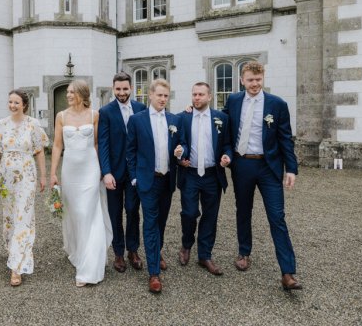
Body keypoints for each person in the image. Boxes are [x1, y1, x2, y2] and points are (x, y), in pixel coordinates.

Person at [223, 61, 302, 290]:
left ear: (263, 79)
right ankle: (244, 252)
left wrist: (292, 169)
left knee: (277, 216)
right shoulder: (234, 100)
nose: (255, 84)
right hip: (242, 164)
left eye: (258, 80)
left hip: (269, 167)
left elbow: (285, 138)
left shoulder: (277, 104)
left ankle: (287, 272)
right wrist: (193, 109)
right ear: (242, 80)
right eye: (250, 80)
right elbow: (222, 122)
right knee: (243, 211)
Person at [50, 79, 113, 287]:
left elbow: (96, 143)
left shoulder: (95, 115)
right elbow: (58, 146)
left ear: (82, 94)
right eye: (67, 92)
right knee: (75, 214)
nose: (68, 95)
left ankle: (88, 268)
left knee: (89, 213)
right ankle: (79, 252)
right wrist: (53, 173)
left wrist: (102, 172)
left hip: (90, 170)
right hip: (70, 172)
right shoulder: (61, 116)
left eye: (71, 92)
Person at [126, 79, 185, 294]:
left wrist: (181, 151)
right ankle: (153, 274)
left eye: (166, 96)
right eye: (159, 95)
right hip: (146, 181)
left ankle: (155, 252)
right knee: (150, 223)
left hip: (167, 179)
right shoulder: (137, 120)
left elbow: (182, 145)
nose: (162, 99)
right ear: (150, 95)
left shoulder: (174, 119)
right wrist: (134, 178)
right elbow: (130, 151)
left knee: (161, 221)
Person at [0, 89, 48, 287]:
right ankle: (12, 248)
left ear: (24, 104)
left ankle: (17, 265)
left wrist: (43, 176)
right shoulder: (1, 124)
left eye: (16, 102)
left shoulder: (33, 124)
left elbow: (39, 151)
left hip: (26, 174)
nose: (12, 105)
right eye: (10, 102)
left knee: (24, 215)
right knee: (10, 215)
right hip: (5, 175)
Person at [176, 82, 232, 276]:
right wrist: (179, 154)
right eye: (194, 94)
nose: (197, 98)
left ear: (210, 97)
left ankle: (205, 255)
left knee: (210, 215)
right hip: (190, 173)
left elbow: (227, 144)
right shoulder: (183, 117)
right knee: (189, 213)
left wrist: (227, 157)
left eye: (201, 94)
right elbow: (178, 142)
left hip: (212, 175)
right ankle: (186, 244)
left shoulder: (221, 118)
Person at [98, 72, 146, 273]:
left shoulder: (141, 108)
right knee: (115, 213)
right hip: (115, 173)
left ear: (131, 88)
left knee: (133, 211)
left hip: (135, 172)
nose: (122, 92)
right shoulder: (106, 111)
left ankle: (133, 250)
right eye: (118, 89)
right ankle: (118, 252)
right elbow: (103, 144)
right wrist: (106, 172)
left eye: (125, 89)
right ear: (113, 89)